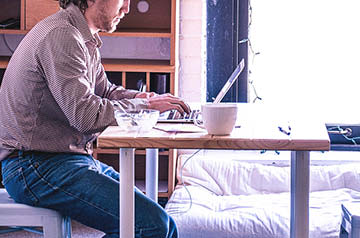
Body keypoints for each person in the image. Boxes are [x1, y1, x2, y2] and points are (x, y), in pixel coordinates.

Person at [0, 0, 190, 237]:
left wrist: (145, 97)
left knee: (161, 222)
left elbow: (105, 92)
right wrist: (146, 105)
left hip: (62, 160)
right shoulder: (63, 36)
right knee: (152, 226)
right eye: (121, 0)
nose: (126, 9)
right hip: (35, 166)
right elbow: (86, 116)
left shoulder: (81, 35)